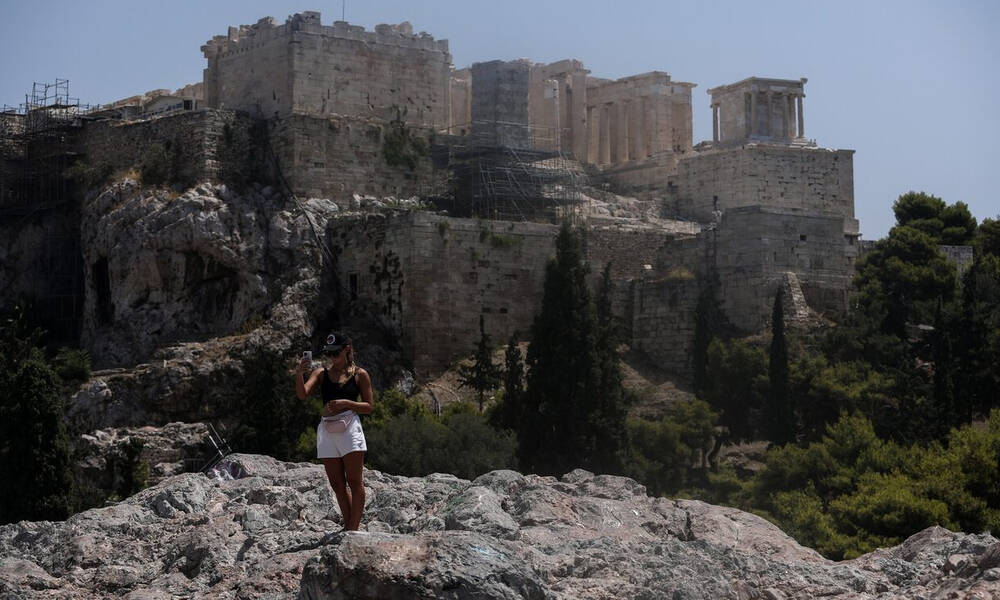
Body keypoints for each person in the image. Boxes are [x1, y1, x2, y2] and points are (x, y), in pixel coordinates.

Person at [296, 332, 374, 531]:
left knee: (355, 481)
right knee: (337, 484)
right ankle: (348, 527)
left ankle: (353, 530)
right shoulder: (322, 373)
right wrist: (299, 373)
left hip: (349, 429)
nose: (332, 357)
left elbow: (369, 406)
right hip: (327, 429)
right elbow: (303, 394)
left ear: (347, 350)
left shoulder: (360, 374)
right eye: (329, 353)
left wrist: (347, 403)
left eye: (336, 353)